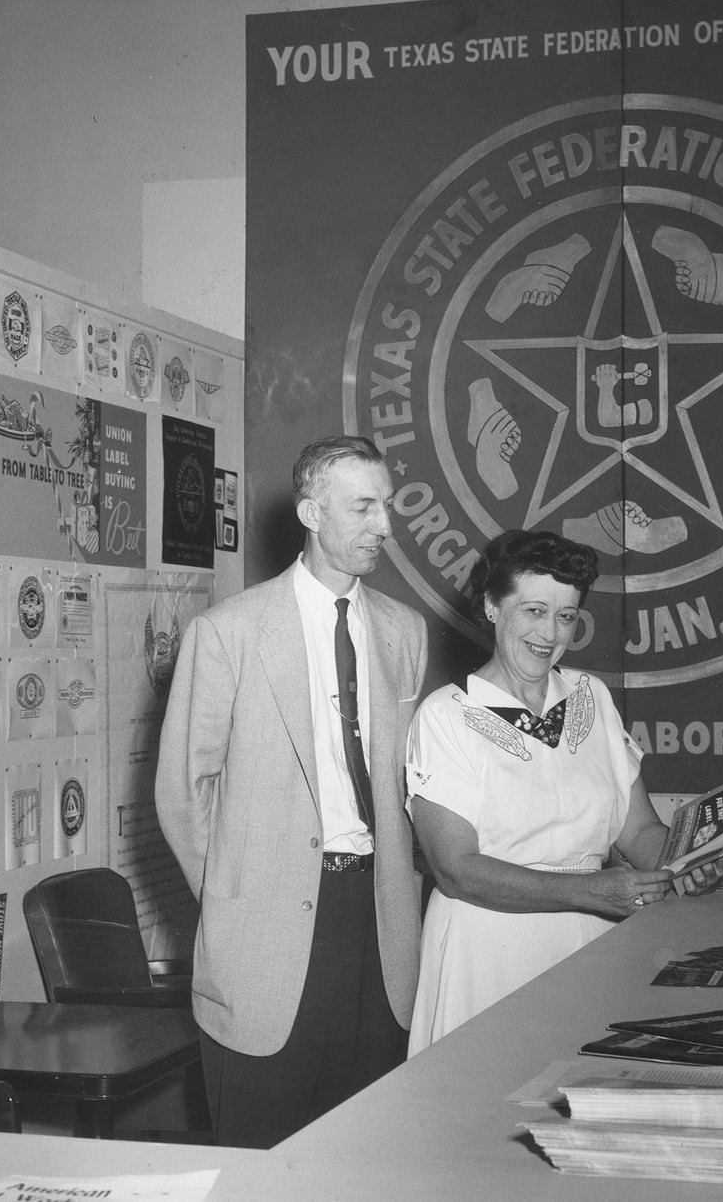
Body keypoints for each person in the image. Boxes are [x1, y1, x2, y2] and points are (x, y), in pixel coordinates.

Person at [157, 434, 428, 1148]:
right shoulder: (228, 632)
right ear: (311, 511)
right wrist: (234, 899)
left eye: (388, 506)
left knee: (364, 1158)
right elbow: (183, 792)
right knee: (262, 1155)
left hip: (381, 924)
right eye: (364, 507)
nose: (385, 526)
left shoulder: (405, 632)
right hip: (267, 936)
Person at [405, 529, 723, 1055]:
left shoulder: (591, 697)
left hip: (587, 943)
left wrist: (689, 858)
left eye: (566, 616)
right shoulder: (445, 717)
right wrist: (589, 891)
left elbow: (639, 830)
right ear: (491, 606)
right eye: (533, 610)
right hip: (486, 953)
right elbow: (456, 870)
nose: (549, 633)